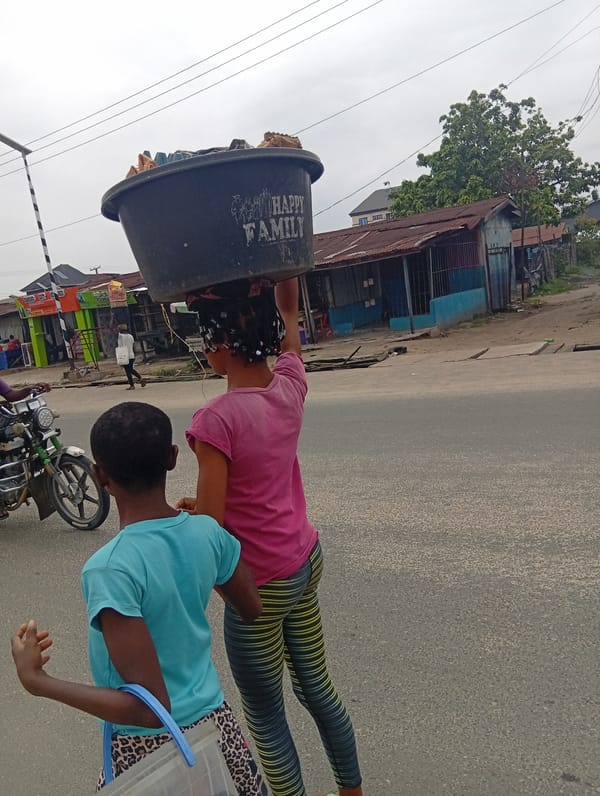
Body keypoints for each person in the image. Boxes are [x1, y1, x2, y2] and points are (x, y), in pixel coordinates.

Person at [11, 401, 267, 795]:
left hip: (148, 749)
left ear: (100, 475)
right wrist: (196, 560)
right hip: (215, 727)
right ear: (172, 458)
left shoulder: (110, 568)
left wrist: (37, 679)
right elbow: (251, 607)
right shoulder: (206, 533)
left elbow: (149, 711)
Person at [177, 277, 363, 796]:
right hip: (305, 560)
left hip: (259, 587)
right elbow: (290, 329)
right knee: (320, 691)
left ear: (216, 346)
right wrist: (286, 293)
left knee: (266, 717)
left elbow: (211, 534)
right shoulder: (290, 385)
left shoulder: (216, 419)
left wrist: (188, 524)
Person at [117, 323, 146, 390]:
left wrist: (112, 318)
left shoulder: (120, 336)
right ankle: (134, 383)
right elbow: (132, 346)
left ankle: (138, 379)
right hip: (131, 355)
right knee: (129, 370)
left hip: (124, 355)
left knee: (128, 370)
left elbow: (112, 330)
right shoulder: (130, 336)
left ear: (120, 330)